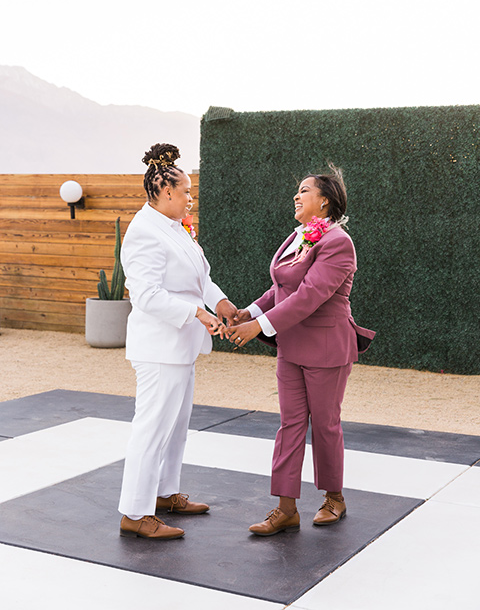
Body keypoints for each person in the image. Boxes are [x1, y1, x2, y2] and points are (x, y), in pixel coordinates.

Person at [227, 164, 375, 536]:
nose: (297, 195)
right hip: (290, 347)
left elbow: (309, 296)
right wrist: (251, 310)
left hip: (327, 348)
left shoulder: (338, 242)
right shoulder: (298, 238)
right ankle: (285, 508)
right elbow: (281, 287)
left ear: (324, 202)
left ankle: (334, 499)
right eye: (298, 190)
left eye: (304, 191)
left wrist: (257, 326)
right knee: (290, 425)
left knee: (325, 426)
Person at [118, 143, 236, 539]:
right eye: (187, 191)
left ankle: (165, 493)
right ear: (166, 192)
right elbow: (146, 295)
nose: (190, 197)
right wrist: (198, 314)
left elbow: (198, 278)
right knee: (152, 427)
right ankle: (135, 513)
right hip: (159, 348)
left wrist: (218, 301)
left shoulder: (175, 228)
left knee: (177, 425)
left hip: (181, 348)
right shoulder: (143, 233)